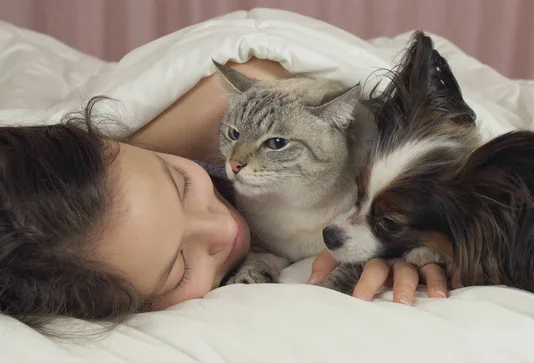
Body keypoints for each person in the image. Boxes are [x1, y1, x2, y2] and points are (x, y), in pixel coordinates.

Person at [0, 58, 453, 332]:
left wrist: (403, 230)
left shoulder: (251, 96)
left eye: (182, 183)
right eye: (178, 268)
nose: (224, 227)